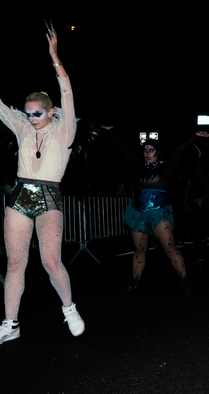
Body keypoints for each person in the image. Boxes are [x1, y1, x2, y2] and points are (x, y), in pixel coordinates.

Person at [0, 26, 84, 344]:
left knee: (50, 259)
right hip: (21, 193)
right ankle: (10, 323)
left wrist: (55, 58)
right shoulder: (22, 126)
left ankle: (69, 308)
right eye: (28, 113)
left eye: (37, 113)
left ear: (49, 112)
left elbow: (67, 95)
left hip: (49, 194)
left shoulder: (65, 132)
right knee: (16, 261)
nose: (31, 117)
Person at [102, 127, 209, 296]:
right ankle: (135, 282)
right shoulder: (136, 166)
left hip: (160, 212)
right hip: (138, 213)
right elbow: (124, 148)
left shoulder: (166, 167)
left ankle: (185, 280)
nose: (147, 153)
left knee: (169, 247)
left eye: (151, 150)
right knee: (139, 249)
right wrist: (113, 131)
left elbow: (179, 151)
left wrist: (194, 136)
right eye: (145, 150)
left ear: (158, 153)